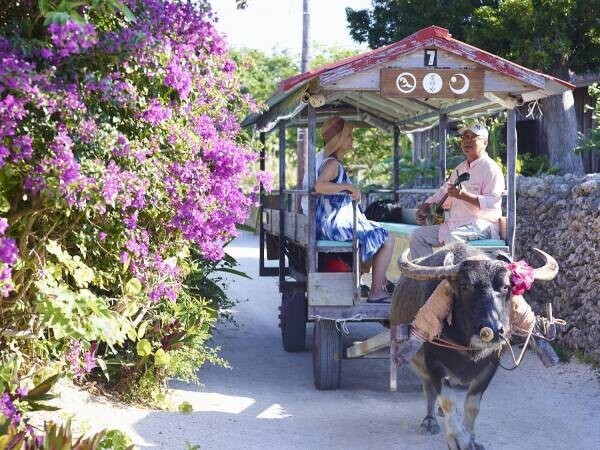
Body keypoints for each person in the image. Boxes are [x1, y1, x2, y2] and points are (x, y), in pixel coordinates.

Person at [394, 123, 563, 367]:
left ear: (484, 142)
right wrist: (427, 207)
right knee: (419, 236)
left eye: (473, 137)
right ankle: (424, 287)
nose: (467, 140)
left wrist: (464, 196)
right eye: (464, 137)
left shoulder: (491, 169)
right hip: (455, 227)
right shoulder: (460, 169)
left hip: (480, 226)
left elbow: (493, 204)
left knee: (454, 247)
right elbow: (443, 194)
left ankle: (458, 297)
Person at [315, 116, 394, 303]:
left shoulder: (333, 163)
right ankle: (376, 291)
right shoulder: (332, 164)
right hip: (332, 225)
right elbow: (319, 187)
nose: (352, 139)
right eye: (349, 136)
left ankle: (371, 282)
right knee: (387, 238)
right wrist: (347, 187)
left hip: (335, 222)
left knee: (376, 233)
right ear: (339, 141)